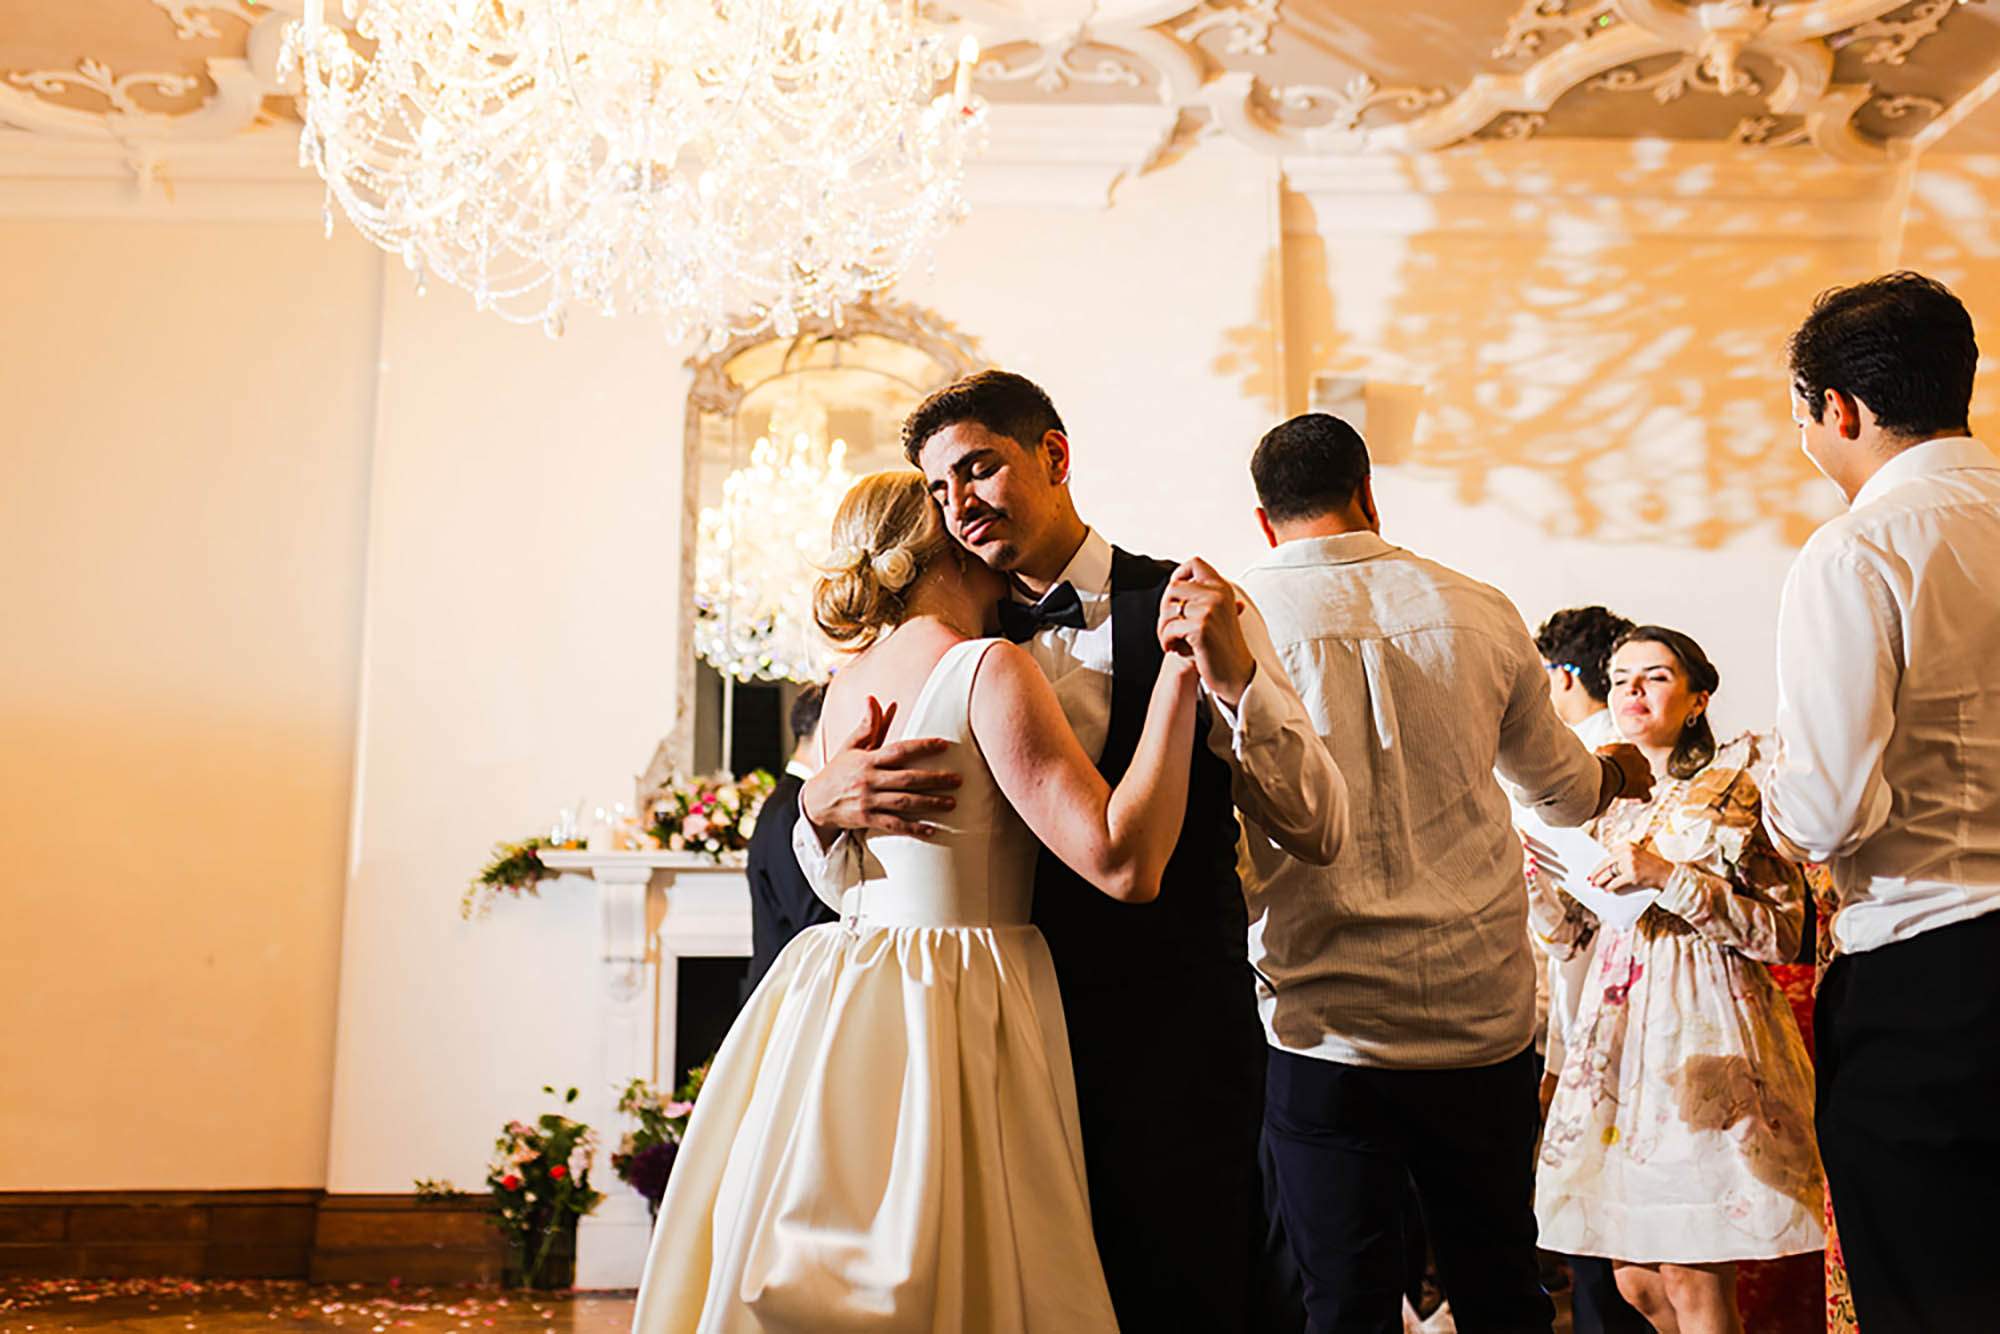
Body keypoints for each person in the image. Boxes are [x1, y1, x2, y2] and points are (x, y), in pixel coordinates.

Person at [795, 370, 1347, 1333]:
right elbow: (869, 868)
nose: (960, 505)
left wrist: (1232, 681)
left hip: (1172, 1040)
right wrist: (815, 805)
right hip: (996, 1045)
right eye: (938, 489)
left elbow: (1318, 824)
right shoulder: (945, 641)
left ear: (1053, 456)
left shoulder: (1189, 603)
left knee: (1185, 1297)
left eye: (980, 469)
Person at [630, 470, 1204, 1332]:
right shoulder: (987, 667)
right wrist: (1178, 676)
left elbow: (839, 877)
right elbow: (1123, 862)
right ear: (949, 547)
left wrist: (814, 807)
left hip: (840, 998)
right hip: (959, 1000)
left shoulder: (842, 688)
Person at [1236, 413, 1651, 1334]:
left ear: (1263, 521)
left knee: (1342, 1302)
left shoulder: (1236, 625)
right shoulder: (1475, 606)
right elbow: (1563, 792)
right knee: (1499, 1286)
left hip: (1323, 1021)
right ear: (1368, 494)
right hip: (1475, 1012)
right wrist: (1618, 772)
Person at [1765, 270, 2000, 1330]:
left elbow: (1825, 811)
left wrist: (1771, 798)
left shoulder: (1858, 547)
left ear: (1838, 409)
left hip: (1930, 975)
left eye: (1801, 416)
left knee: (1929, 1292)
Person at [1532, 627, 1823, 1334]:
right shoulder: (1609, 804)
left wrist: (1669, 876)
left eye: (1655, 676)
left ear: (1698, 699)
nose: (1631, 690)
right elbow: (1571, 937)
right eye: (1620, 678)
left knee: (1693, 1278)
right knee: (1635, 1281)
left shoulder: (1736, 787)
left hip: (1699, 1037)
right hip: (1618, 1043)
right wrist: (1537, 880)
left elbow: (1785, 933)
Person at [1529, 608, 1649, 1334]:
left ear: (1564, 676)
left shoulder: (1574, 770)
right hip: (1609, 1000)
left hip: (1598, 1006)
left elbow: (1569, 933)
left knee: (1599, 1217)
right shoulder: (1629, 759)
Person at [743, 684, 835, 990]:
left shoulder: (789, 801)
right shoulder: (791, 809)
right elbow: (812, 921)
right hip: (788, 991)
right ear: (823, 729)